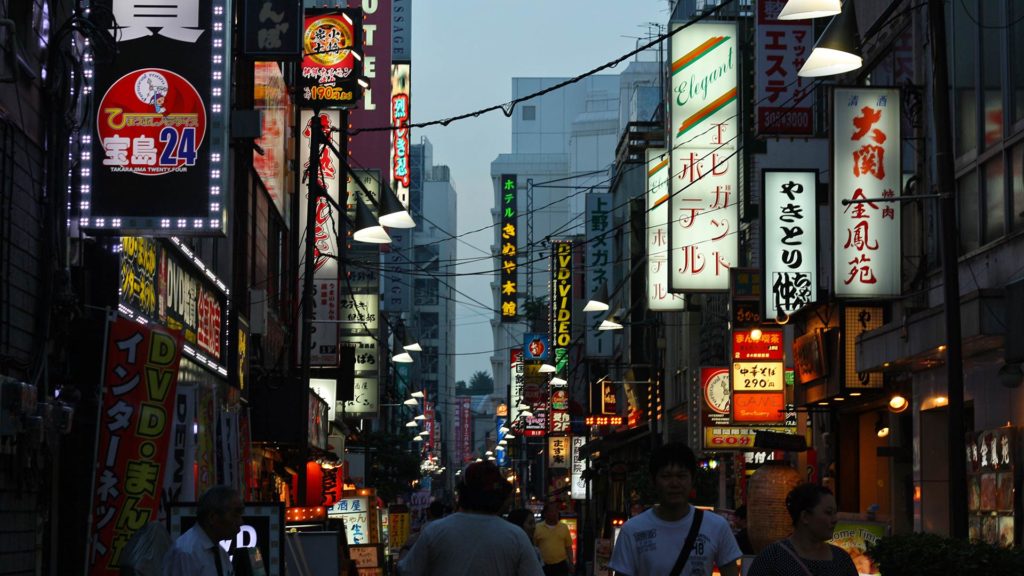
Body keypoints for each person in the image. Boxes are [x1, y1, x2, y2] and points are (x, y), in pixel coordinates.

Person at [608, 442, 741, 576]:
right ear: (653, 481)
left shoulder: (717, 526)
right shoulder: (632, 530)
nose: (674, 483)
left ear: (692, 480)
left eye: (681, 476)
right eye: (666, 476)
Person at [397, 461, 543, 576]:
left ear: (461, 494)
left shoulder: (435, 531)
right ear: (500, 497)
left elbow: (407, 571)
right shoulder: (516, 536)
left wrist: (407, 547)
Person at [746, 483, 857, 576]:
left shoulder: (842, 559)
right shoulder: (773, 558)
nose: (834, 519)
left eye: (835, 513)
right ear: (805, 517)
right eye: (828, 513)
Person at [164, 485, 244, 576]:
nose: (240, 522)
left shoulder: (220, 552)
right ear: (213, 517)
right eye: (235, 515)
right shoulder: (185, 553)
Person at [534, 501, 574, 576]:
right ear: (545, 514)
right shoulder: (537, 528)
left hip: (561, 565)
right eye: (552, 511)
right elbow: (534, 548)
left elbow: (568, 547)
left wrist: (571, 563)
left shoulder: (564, 527)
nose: (555, 513)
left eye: (556, 511)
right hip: (544, 566)